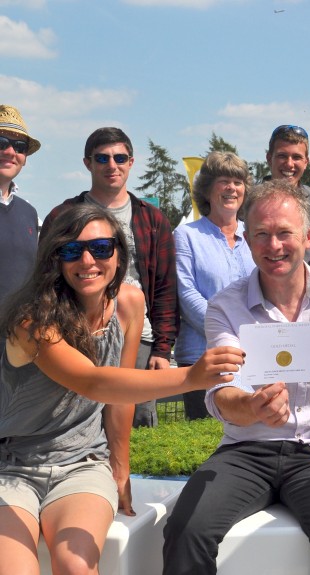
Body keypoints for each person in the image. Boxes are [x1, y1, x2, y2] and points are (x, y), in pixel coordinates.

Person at [162, 180, 310, 575]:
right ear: (247, 240)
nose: (273, 245)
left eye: (284, 233)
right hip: (245, 451)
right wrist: (251, 407)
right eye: (261, 234)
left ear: (308, 237)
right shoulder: (225, 306)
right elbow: (222, 390)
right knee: (186, 530)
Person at [0, 204, 242, 575]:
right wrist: (190, 377)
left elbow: (120, 397)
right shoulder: (32, 320)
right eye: (71, 250)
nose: (87, 260)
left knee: (76, 564)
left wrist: (121, 468)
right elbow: (95, 383)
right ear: (54, 259)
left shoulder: (129, 303)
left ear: (118, 253)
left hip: (82, 464)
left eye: (100, 248)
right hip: (10, 467)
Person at [41, 127, 178, 428]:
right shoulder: (63, 216)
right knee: (75, 421)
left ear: (131, 162)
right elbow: (46, 280)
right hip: (78, 333)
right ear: (87, 163)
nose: (112, 165)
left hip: (139, 337)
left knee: (135, 422)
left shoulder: (153, 219)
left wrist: (162, 348)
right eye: (102, 158)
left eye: (120, 158)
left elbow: (166, 288)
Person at [174, 151, 256, 420]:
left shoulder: (256, 235)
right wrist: (228, 334)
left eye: (238, 182)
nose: (232, 188)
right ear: (207, 190)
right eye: (224, 181)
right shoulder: (186, 235)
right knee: (204, 439)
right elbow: (186, 293)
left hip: (255, 357)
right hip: (203, 358)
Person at [0, 105, 41, 339]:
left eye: (19, 147)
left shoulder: (29, 213)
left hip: (17, 342)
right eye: (1, 142)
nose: (10, 151)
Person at [266, 124, 310, 257]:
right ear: (269, 158)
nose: (289, 164)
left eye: (296, 157)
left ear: (306, 162)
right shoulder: (249, 201)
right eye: (282, 156)